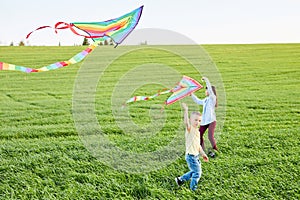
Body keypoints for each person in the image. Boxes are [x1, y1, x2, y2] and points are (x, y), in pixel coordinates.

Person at [175, 103, 209, 191]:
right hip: (190, 156)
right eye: (195, 120)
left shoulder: (197, 132)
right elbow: (186, 123)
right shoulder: (190, 129)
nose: (197, 122)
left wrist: (203, 154)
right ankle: (193, 189)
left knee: (194, 171)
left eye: (199, 120)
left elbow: (198, 146)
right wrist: (186, 110)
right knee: (197, 173)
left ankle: (180, 179)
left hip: (196, 156)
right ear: (191, 120)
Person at [191, 77, 218, 158]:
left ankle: (216, 149)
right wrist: (192, 94)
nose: (205, 92)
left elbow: (210, 89)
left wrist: (206, 80)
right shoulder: (206, 100)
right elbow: (197, 101)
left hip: (211, 121)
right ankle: (202, 150)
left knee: (210, 136)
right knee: (199, 135)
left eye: (206, 90)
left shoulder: (212, 98)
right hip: (204, 121)